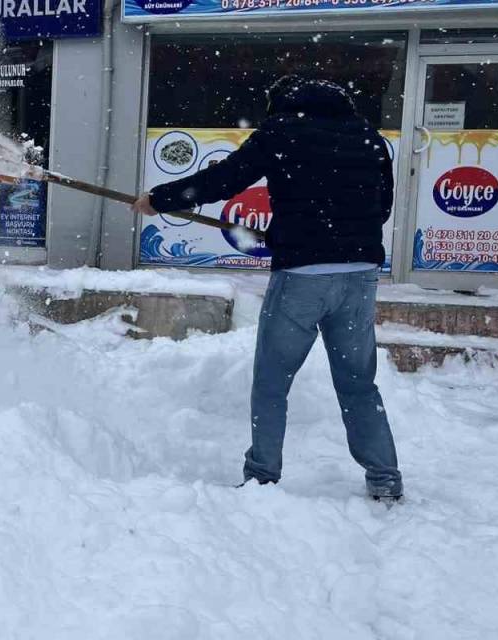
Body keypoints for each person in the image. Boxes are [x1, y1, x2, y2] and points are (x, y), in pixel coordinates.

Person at [132, 75, 403, 501]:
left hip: (303, 278)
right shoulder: (367, 138)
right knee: (357, 382)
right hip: (359, 276)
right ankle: (385, 477)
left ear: (281, 104)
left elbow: (223, 181)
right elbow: (381, 206)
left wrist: (159, 199)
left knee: (273, 380)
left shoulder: (282, 131)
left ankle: (262, 476)